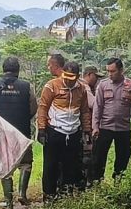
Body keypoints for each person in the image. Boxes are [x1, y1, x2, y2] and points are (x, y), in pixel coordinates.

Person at [37, 55, 92, 199]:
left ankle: (66, 193)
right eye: (66, 76)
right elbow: (43, 108)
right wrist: (42, 129)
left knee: (71, 165)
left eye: (72, 77)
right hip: (55, 131)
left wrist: (87, 130)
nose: (68, 80)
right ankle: (49, 195)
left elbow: (85, 111)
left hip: (73, 132)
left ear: (78, 76)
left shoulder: (81, 89)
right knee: (51, 166)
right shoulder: (51, 86)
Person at [0, 56, 36, 208]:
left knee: (5, 164)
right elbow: (34, 107)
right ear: (18, 71)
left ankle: (8, 201)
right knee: (26, 163)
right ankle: (22, 194)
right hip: (22, 131)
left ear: (3, 70)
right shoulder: (28, 87)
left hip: (2, 134)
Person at [92, 57, 131, 182]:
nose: (110, 74)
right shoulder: (103, 85)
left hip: (123, 128)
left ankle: (118, 182)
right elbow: (97, 107)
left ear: (121, 70)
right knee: (99, 157)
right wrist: (95, 126)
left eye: (113, 71)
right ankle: (97, 183)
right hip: (105, 127)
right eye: (108, 71)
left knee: (123, 156)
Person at [79, 64, 100, 188]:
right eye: (95, 76)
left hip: (83, 125)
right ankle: (87, 181)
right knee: (87, 154)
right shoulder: (84, 87)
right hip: (85, 126)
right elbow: (93, 103)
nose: (96, 79)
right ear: (89, 75)